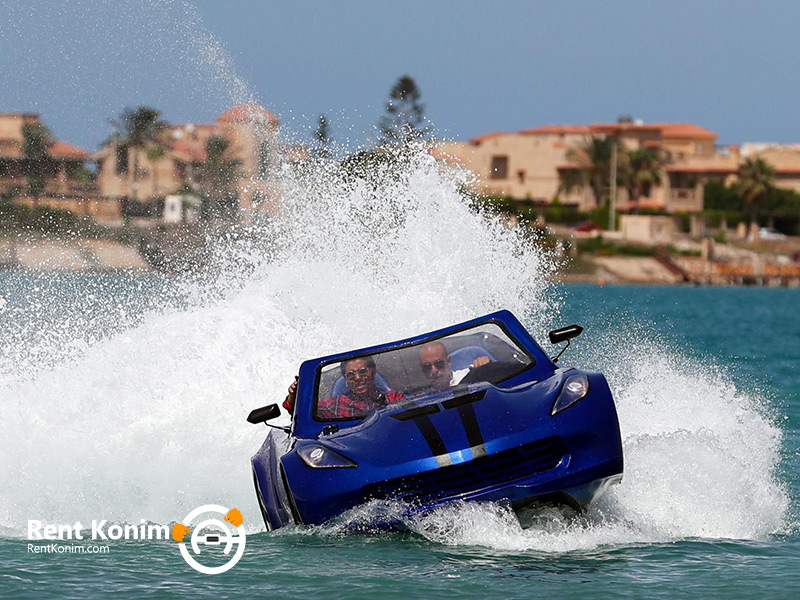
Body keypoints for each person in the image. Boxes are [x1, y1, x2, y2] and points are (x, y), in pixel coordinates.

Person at [283, 356, 402, 419]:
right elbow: (298, 411)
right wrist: (295, 393)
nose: (357, 377)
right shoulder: (335, 405)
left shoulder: (392, 398)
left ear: (373, 373)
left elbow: (413, 410)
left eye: (362, 371)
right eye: (350, 374)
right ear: (345, 380)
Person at [418, 341, 491, 391]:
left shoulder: (471, 374)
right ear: (421, 369)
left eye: (438, 363)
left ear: (448, 362)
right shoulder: (422, 398)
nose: (434, 370)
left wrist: (486, 366)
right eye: (427, 366)